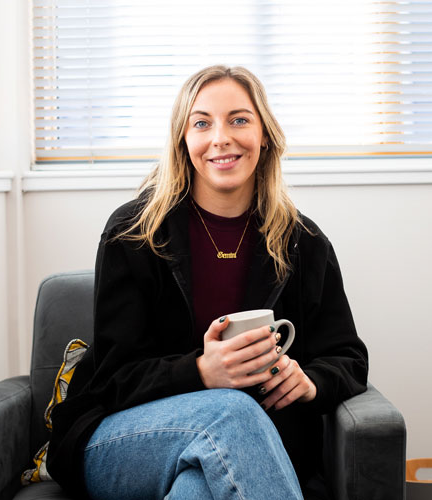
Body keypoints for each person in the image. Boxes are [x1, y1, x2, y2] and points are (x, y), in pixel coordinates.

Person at [47, 65, 368, 500]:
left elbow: (347, 356)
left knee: (199, 488)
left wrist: (311, 382)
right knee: (231, 413)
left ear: (265, 135)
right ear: (184, 139)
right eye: (202, 123)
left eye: (239, 119)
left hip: (244, 448)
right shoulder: (133, 232)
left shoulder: (303, 243)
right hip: (120, 438)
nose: (221, 137)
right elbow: (112, 379)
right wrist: (200, 371)